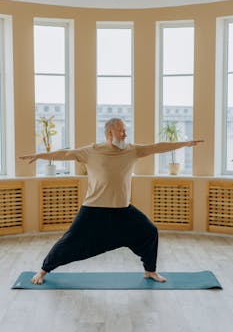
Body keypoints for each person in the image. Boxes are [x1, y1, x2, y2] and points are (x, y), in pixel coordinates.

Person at [20, 118, 204, 284]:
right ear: (109, 133)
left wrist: (185, 143)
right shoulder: (91, 151)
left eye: (125, 130)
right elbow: (65, 154)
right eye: (121, 131)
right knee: (70, 241)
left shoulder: (132, 150)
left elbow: (157, 147)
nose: (125, 134)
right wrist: (39, 156)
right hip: (93, 208)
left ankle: (150, 271)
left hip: (122, 209)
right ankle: (43, 270)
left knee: (149, 231)